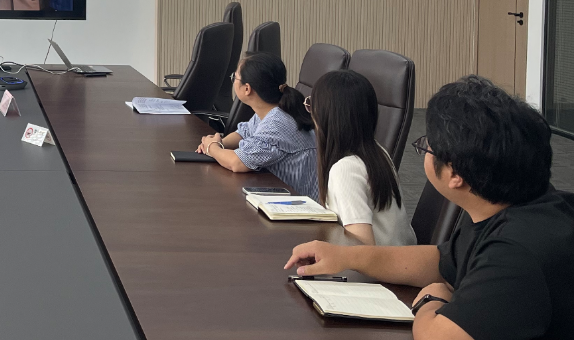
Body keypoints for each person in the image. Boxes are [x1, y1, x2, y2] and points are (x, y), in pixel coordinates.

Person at [285, 76, 574, 340]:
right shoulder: (509, 206)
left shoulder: (516, 253)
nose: (424, 150)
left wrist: (431, 299)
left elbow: (438, 335)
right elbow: (440, 261)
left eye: (426, 146)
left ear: (454, 174)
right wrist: (345, 256)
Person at [308, 69, 415, 246]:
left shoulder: (345, 169)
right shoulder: (378, 152)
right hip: (399, 257)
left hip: (377, 262)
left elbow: (362, 246)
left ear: (325, 115)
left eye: (311, 106)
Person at [195, 52, 318, 200]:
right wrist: (221, 142)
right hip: (280, 196)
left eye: (235, 77)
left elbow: (237, 163)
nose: (233, 80)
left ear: (247, 89)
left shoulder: (277, 122)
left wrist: (212, 147)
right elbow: (244, 132)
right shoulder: (273, 110)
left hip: (297, 206)